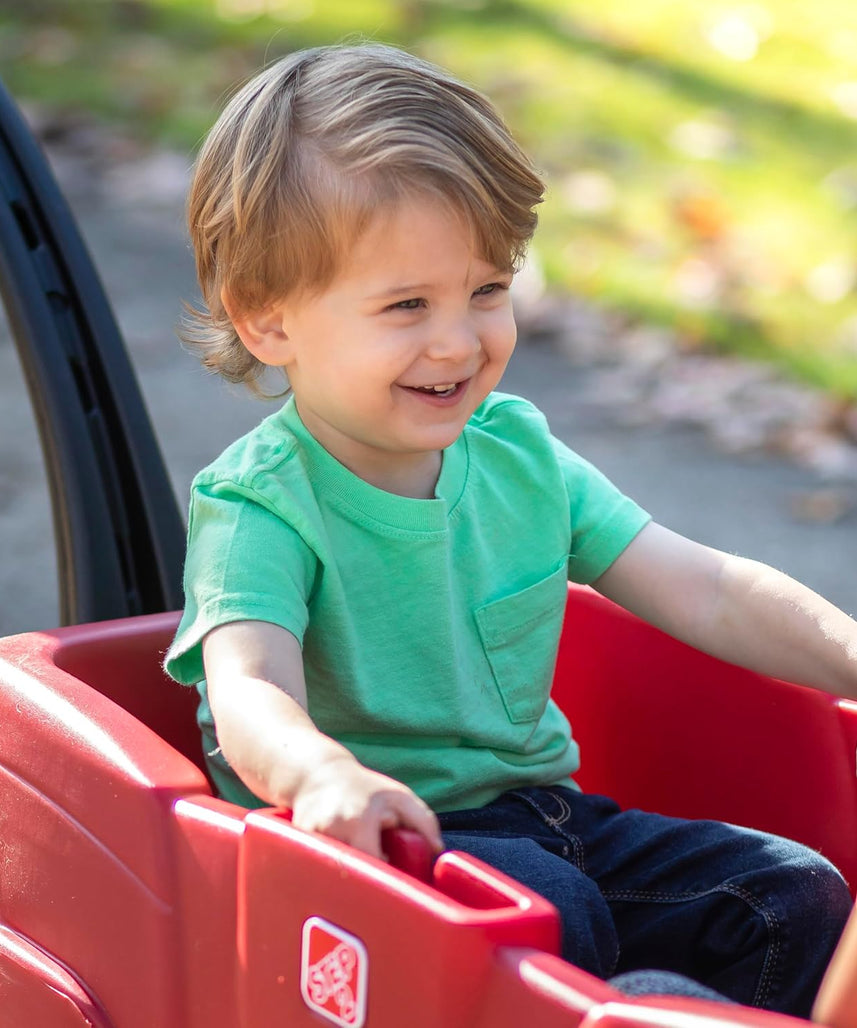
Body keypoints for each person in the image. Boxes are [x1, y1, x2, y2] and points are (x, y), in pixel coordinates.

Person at [164, 41, 853, 1017]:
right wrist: (319, 772)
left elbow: (703, 587)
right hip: (379, 854)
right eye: (407, 305)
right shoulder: (259, 505)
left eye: (486, 290)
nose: (459, 340)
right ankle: (637, 1003)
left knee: (790, 892)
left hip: (546, 819)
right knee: (556, 915)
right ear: (268, 322)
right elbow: (249, 687)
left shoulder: (516, 453)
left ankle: (670, 1003)